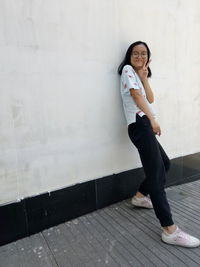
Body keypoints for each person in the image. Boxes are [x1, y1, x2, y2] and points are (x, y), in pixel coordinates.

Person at [118, 41, 200, 248]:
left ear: (148, 57)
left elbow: (150, 97)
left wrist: (145, 78)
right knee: (156, 175)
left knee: (164, 164)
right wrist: (152, 119)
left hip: (144, 123)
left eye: (143, 53)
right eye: (135, 53)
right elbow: (137, 97)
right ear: (129, 57)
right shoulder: (127, 70)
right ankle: (169, 230)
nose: (139, 56)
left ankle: (138, 197)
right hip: (140, 124)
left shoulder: (137, 75)